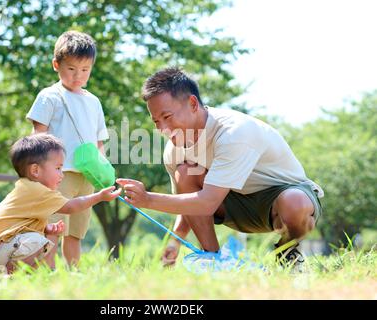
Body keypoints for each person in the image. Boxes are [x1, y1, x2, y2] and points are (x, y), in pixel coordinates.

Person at [116, 67, 324, 270]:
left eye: (167, 117)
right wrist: (175, 241)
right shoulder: (174, 150)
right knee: (186, 171)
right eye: (156, 121)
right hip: (232, 202)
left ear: (192, 103)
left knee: (295, 204)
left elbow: (206, 202)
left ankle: (287, 252)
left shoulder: (233, 133)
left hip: (279, 199)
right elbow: (186, 200)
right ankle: (213, 260)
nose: (162, 129)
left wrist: (149, 199)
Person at [0, 134, 120, 275]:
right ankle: (10, 275)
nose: (62, 174)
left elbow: (18, 226)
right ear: (35, 170)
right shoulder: (36, 190)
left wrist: (46, 228)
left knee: (39, 241)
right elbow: (71, 207)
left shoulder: (28, 189)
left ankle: (9, 276)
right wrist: (99, 196)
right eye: (58, 168)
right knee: (38, 242)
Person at [26, 31, 109, 266]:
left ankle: (73, 273)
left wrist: (104, 172)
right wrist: (38, 171)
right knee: (53, 228)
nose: (78, 76)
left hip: (87, 176)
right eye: (71, 69)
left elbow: (99, 142)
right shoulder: (49, 96)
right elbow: (37, 136)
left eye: (85, 70)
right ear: (56, 65)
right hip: (58, 176)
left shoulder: (94, 102)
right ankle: (47, 272)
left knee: (76, 232)